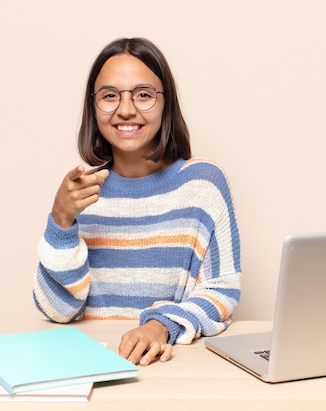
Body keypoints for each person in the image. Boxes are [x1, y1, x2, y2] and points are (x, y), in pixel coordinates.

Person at [33, 37, 242, 367]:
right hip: (91, 364)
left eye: (143, 95)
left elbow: (222, 291)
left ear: (165, 104)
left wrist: (160, 326)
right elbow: (59, 311)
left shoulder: (203, 183)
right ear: (93, 106)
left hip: (172, 364)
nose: (126, 109)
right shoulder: (82, 192)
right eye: (110, 96)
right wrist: (61, 222)